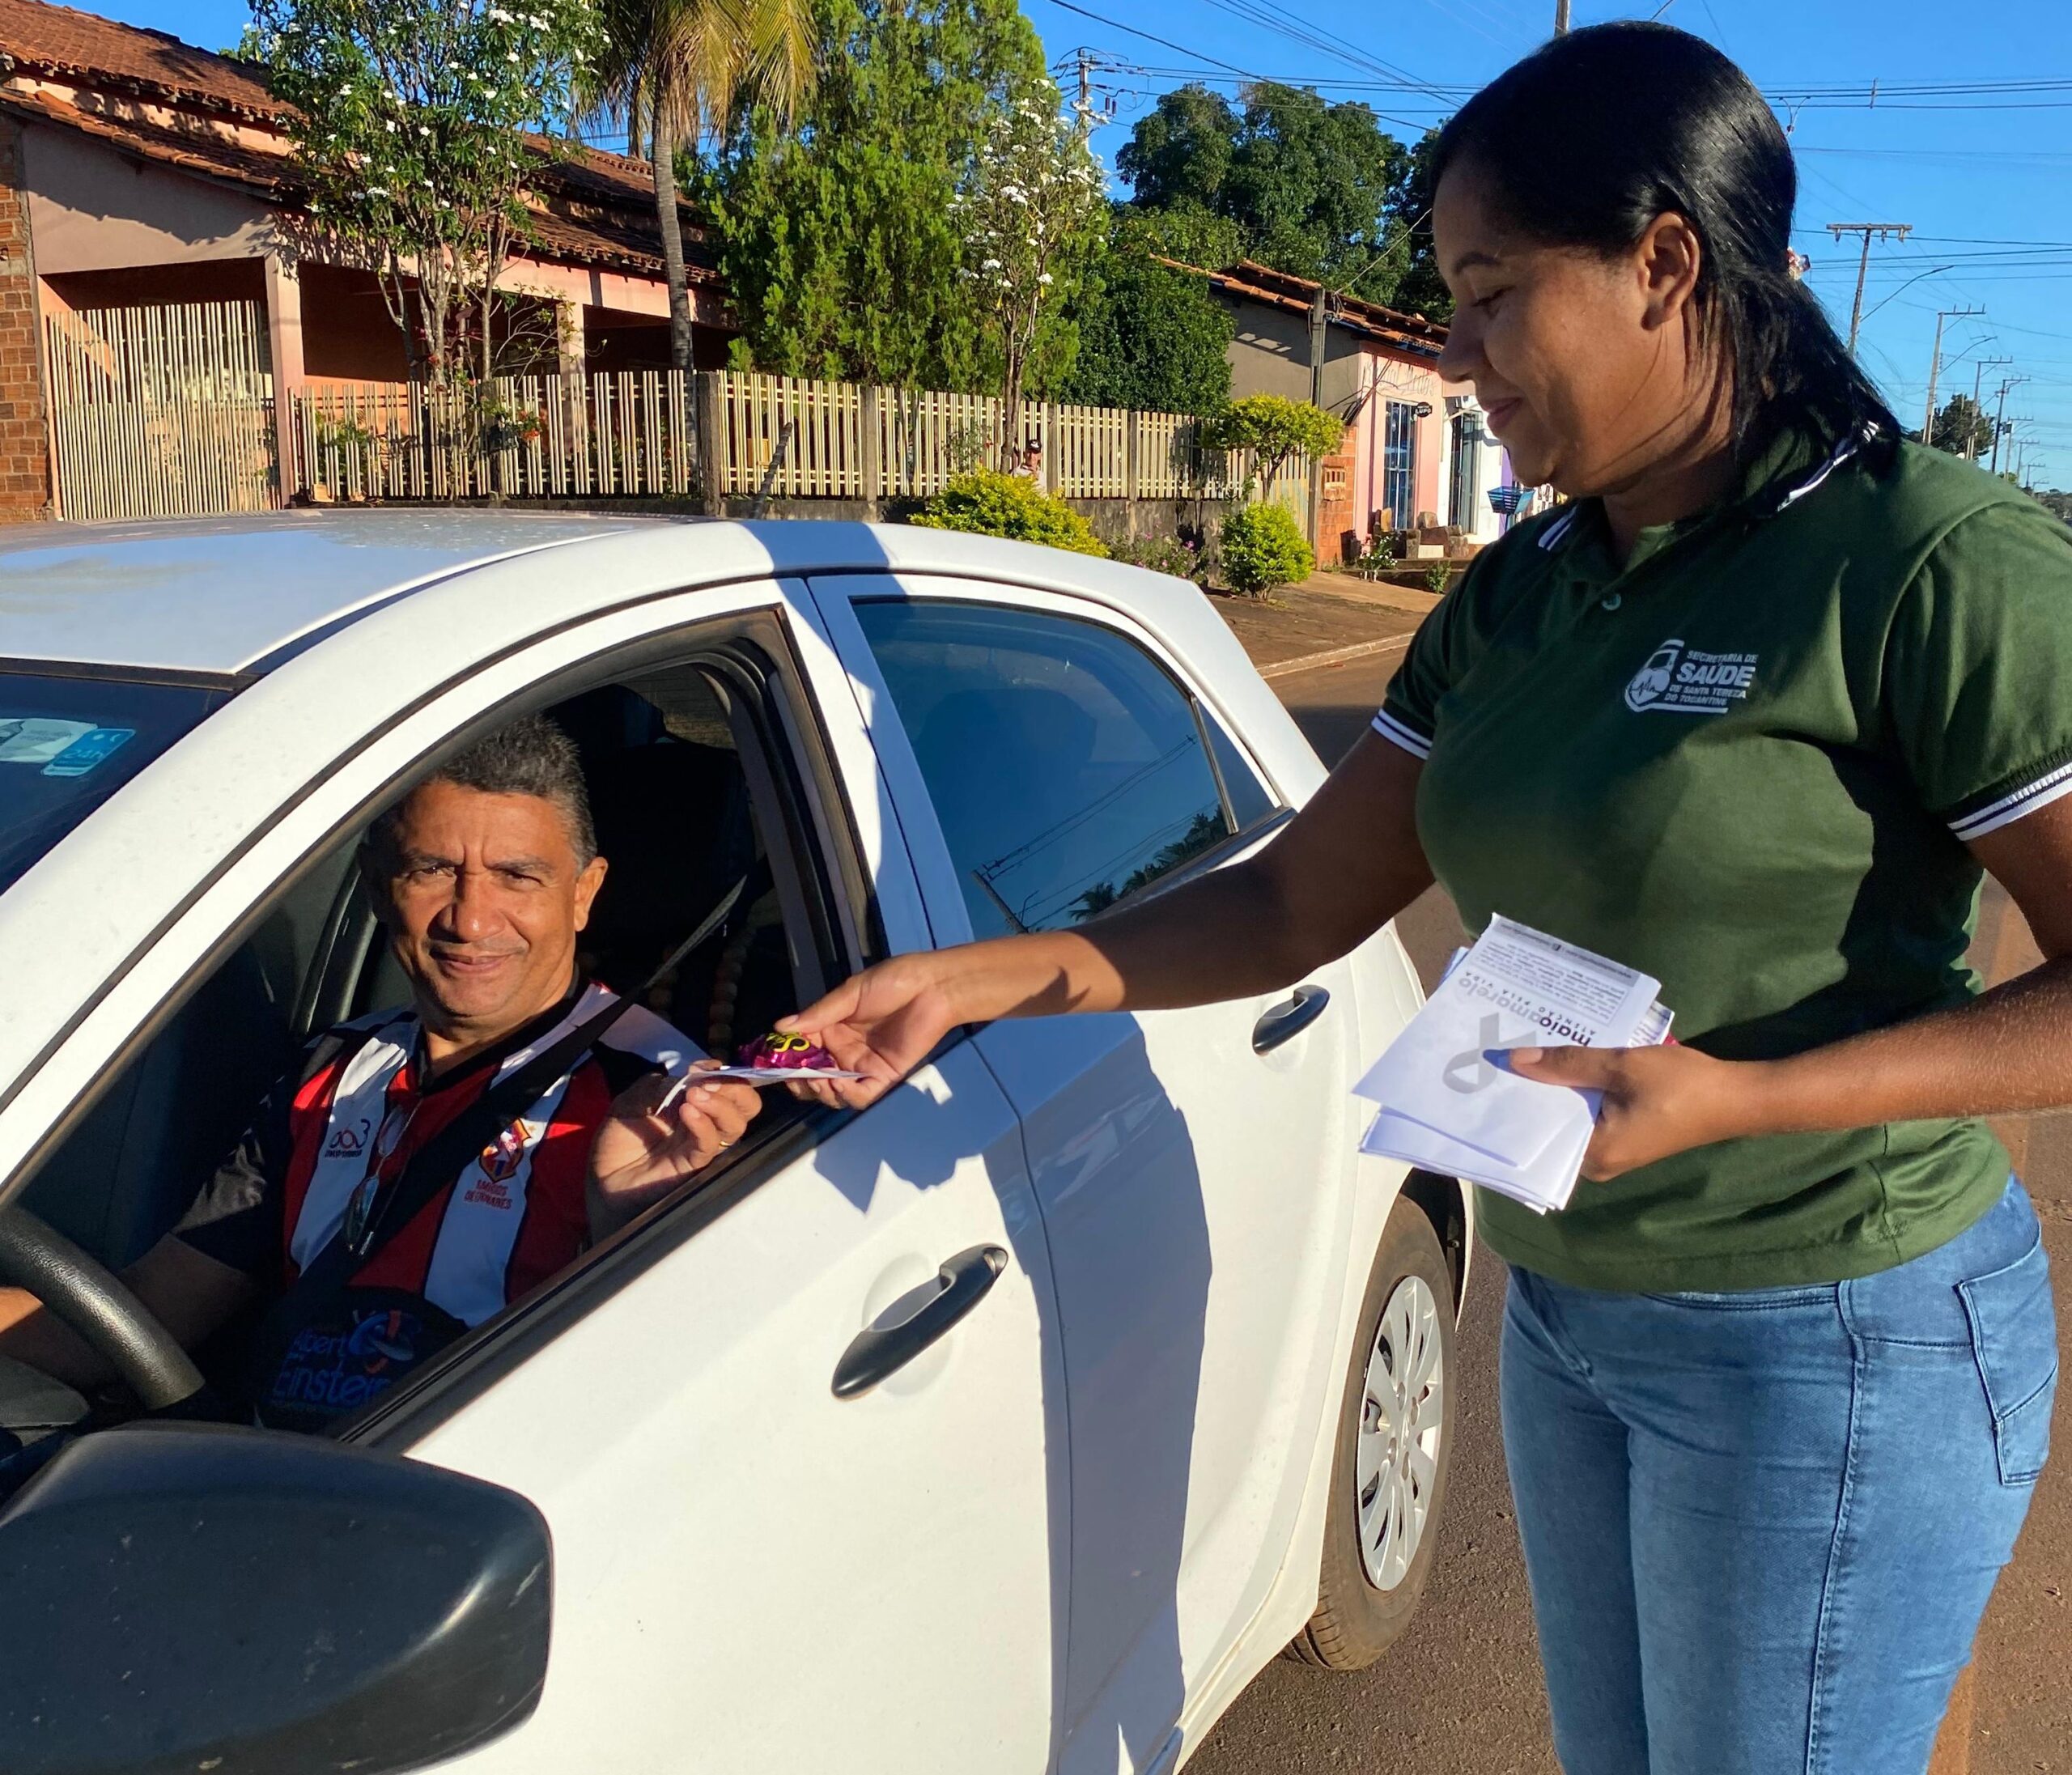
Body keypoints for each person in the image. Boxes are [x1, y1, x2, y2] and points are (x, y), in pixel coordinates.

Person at [779, 24, 2067, 1775]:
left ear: (1662, 264)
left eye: (1487, 293)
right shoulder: (1521, 588)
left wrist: (1738, 1096)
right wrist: (979, 977)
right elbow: (1295, 900)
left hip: (1826, 1331)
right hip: (1568, 1315)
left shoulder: (1922, 563)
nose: (1453, 356)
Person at [0, 716, 762, 1429]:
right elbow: (152, 1308)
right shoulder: (330, 1068)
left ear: (584, 893)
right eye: (434, 869)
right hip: (269, 1480)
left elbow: (693, 1389)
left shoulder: (660, 1101)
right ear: (375, 883)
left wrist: (629, 1227)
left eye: (515, 876)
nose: (469, 917)